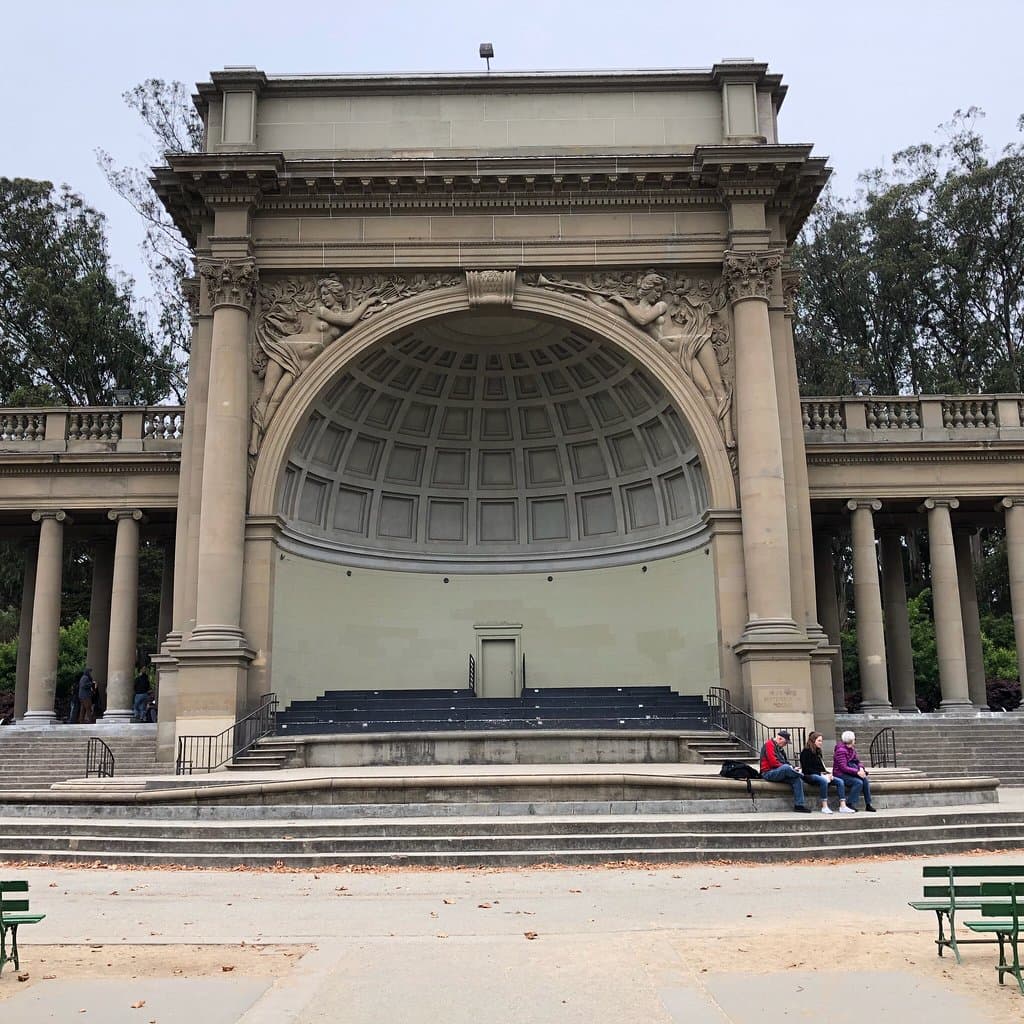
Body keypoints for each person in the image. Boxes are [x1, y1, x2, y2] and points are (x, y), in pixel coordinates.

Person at [799, 732, 856, 814]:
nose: (821, 743)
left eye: (821, 741)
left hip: (820, 774)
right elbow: (806, 769)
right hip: (809, 775)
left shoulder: (818, 751)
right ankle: (824, 806)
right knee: (823, 780)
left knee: (840, 781)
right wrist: (822, 774)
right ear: (813, 740)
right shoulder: (806, 752)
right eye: (819, 741)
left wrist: (828, 773)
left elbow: (822, 767)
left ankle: (843, 806)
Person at [759, 730, 810, 812]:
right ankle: (805, 776)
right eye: (785, 742)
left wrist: (793, 767)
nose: (785, 745)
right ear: (779, 739)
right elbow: (773, 763)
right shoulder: (769, 744)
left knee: (796, 780)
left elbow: (786, 762)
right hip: (768, 773)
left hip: (778, 771)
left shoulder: (780, 748)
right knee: (786, 768)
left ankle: (799, 805)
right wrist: (789, 767)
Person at [833, 730, 877, 811]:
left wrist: (860, 768)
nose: (855, 740)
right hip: (840, 773)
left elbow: (857, 761)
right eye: (854, 739)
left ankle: (868, 804)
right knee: (858, 782)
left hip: (851, 771)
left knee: (865, 780)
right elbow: (843, 767)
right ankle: (849, 803)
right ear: (851, 740)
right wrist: (857, 772)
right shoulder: (840, 750)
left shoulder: (852, 749)